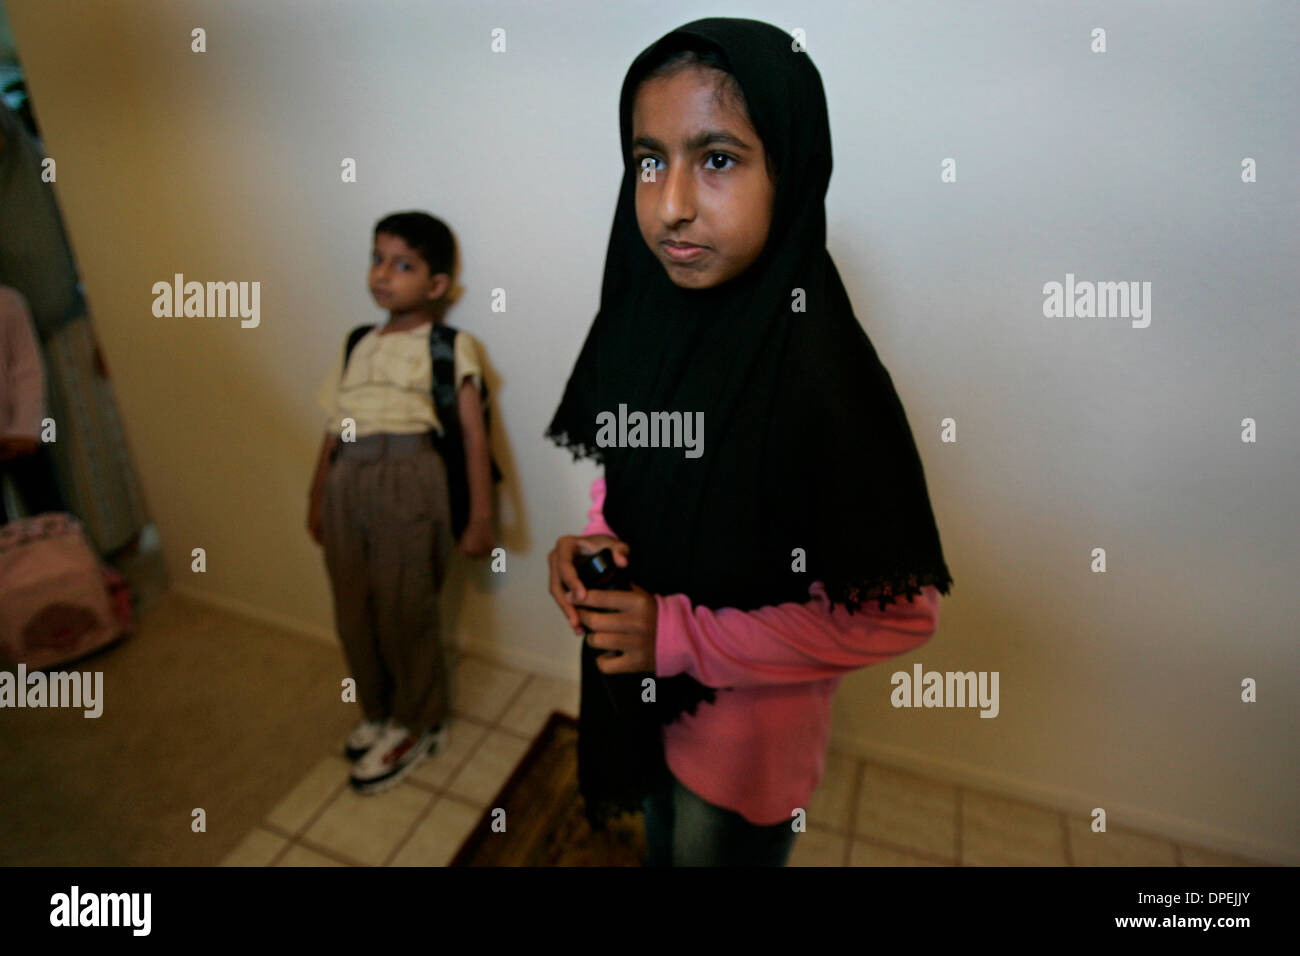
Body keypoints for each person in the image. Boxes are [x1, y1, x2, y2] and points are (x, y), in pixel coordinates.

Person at [545, 19, 955, 866]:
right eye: (649, 161)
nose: (671, 203)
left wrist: (681, 637)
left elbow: (902, 614)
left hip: (742, 757)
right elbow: (631, 465)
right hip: (641, 699)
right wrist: (597, 538)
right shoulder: (649, 320)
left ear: (790, 169)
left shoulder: (821, 378)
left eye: (719, 159)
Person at [308, 212, 497, 795]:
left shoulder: (450, 346)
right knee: (353, 608)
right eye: (377, 259)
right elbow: (334, 426)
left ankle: (419, 723)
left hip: (410, 478)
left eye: (403, 265)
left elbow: (473, 436)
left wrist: (481, 517)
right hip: (348, 480)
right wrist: (317, 494)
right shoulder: (357, 342)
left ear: (436, 285)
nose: (383, 274)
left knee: (405, 608)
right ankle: (380, 710)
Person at [0, 284, 65, 522]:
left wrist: (25, 429)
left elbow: (28, 371)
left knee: (49, 513)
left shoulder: (8, 302)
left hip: (22, 435)